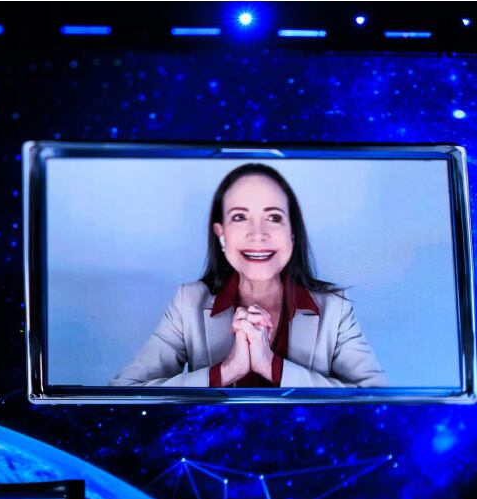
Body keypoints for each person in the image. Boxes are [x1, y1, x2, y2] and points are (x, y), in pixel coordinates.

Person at [113, 163, 386, 387]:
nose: (257, 234)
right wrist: (226, 370)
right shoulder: (188, 303)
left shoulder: (335, 308)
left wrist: (272, 366)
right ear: (221, 233)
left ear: (292, 233)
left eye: (274, 217)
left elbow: (378, 399)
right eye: (240, 217)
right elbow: (124, 392)